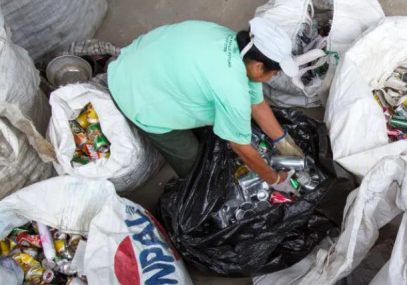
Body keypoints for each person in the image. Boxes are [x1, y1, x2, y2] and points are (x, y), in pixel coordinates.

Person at [108, 17, 304, 194]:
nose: (274, 76)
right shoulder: (231, 89)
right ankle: (197, 189)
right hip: (134, 92)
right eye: (274, 72)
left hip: (140, 58)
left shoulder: (231, 41)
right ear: (258, 66)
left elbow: (258, 105)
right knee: (196, 165)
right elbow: (241, 148)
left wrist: (283, 140)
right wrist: (274, 179)